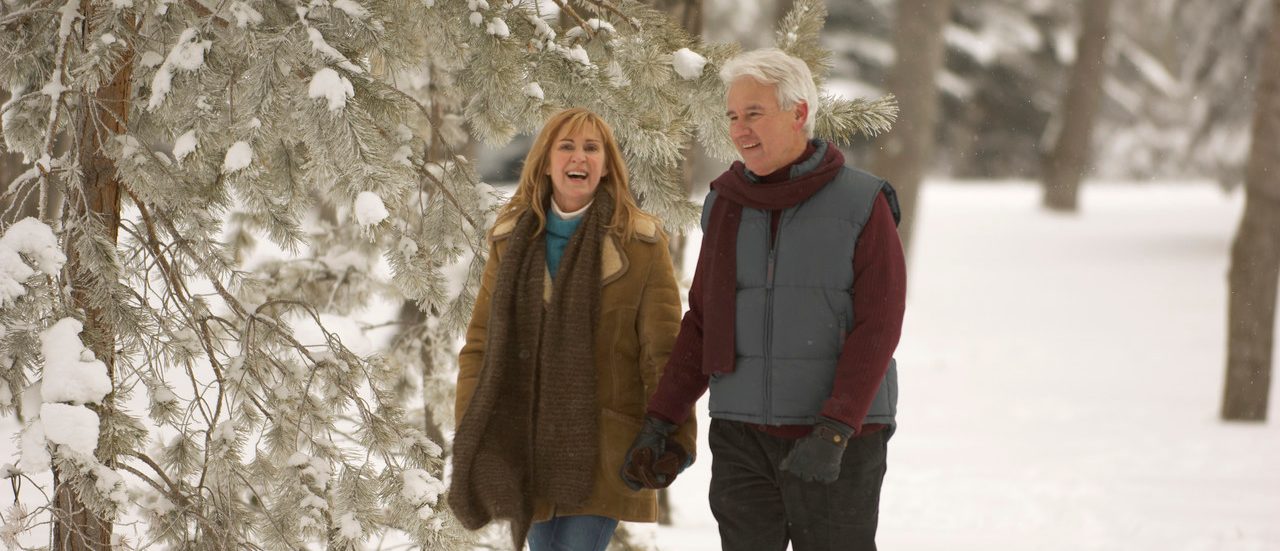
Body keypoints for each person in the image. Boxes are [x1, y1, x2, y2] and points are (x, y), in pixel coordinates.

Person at [622, 48, 907, 551]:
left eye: (754, 113)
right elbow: (705, 321)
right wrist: (661, 419)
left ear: (798, 113)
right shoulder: (726, 202)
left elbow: (879, 326)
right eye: (733, 116)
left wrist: (836, 429)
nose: (740, 129)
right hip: (741, 434)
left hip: (836, 438)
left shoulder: (862, 202)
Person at [449, 107, 697, 551]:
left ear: (606, 165)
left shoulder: (640, 241)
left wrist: (675, 438)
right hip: (529, 441)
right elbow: (480, 347)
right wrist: (473, 426)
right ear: (546, 161)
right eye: (566, 147)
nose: (578, 158)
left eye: (591, 148)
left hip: (606, 446)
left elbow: (664, 352)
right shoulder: (511, 241)